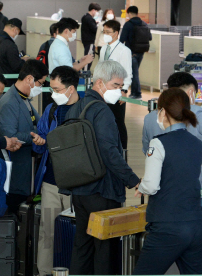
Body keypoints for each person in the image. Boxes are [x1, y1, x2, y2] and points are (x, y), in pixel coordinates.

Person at [63, 60, 140, 275]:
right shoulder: (102, 112)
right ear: (100, 83)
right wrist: (133, 179)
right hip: (102, 190)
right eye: (116, 85)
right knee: (105, 250)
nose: (120, 91)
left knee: (83, 247)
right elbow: (109, 152)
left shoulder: (76, 106)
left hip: (80, 190)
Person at [142, 72, 202, 223]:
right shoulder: (196, 113)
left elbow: (146, 150)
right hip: (195, 191)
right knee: (196, 236)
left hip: (162, 191)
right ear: (191, 92)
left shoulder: (149, 118)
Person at [134, 88, 202, 275]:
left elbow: (151, 184)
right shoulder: (197, 143)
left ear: (163, 112)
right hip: (196, 225)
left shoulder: (158, 143)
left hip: (168, 226)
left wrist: (141, 186)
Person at [32, 65, 81, 276]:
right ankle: (44, 272)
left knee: (74, 233)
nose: (53, 94)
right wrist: (39, 141)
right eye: (51, 89)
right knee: (48, 231)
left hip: (76, 184)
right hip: (51, 182)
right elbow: (40, 140)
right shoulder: (51, 110)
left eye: (57, 89)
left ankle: (71, 271)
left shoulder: (85, 110)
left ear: (71, 89)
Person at [0, 60, 47, 212]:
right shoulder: (10, 102)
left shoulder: (23, 99)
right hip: (16, 173)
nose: (41, 87)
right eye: (41, 83)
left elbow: (37, 123)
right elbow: (10, 136)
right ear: (29, 79)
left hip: (27, 170)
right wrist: (34, 136)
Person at [100, 19, 132, 149]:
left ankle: (122, 150)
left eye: (108, 32)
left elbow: (127, 72)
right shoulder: (103, 49)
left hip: (117, 91)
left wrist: (124, 90)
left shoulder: (124, 50)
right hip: (103, 90)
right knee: (104, 121)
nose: (105, 34)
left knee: (118, 122)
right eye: (104, 31)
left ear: (116, 33)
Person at [120, 6, 152, 100]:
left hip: (131, 52)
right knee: (134, 72)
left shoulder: (128, 24)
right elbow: (149, 37)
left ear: (129, 13)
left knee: (133, 73)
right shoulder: (144, 24)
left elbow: (122, 39)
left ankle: (137, 93)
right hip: (141, 52)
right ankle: (134, 92)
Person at [80, 3, 101, 68]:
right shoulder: (89, 18)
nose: (97, 13)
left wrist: (94, 23)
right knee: (89, 57)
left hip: (86, 40)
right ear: (93, 10)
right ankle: (85, 72)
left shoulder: (85, 16)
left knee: (88, 56)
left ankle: (85, 71)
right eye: (97, 11)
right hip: (90, 41)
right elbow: (95, 29)